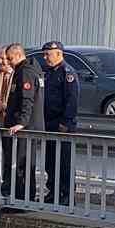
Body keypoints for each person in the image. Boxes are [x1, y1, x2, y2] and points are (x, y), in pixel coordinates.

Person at [0, 44, 40, 199]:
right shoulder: (19, 71)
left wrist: (21, 122)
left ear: (16, 55)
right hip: (4, 123)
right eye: (2, 58)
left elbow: (27, 100)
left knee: (21, 164)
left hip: (22, 127)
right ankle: (13, 195)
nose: (6, 62)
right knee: (12, 162)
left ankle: (21, 199)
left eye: (9, 58)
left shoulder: (24, 72)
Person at [38, 40, 79, 206]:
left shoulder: (67, 72)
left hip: (62, 124)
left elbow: (72, 100)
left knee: (64, 162)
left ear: (59, 54)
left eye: (48, 54)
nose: (45, 57)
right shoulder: (48, 72)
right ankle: (53, 191)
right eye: (45, 54)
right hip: (49, 123)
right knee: (50, 161)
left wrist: (66, 122)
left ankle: (67, 194)